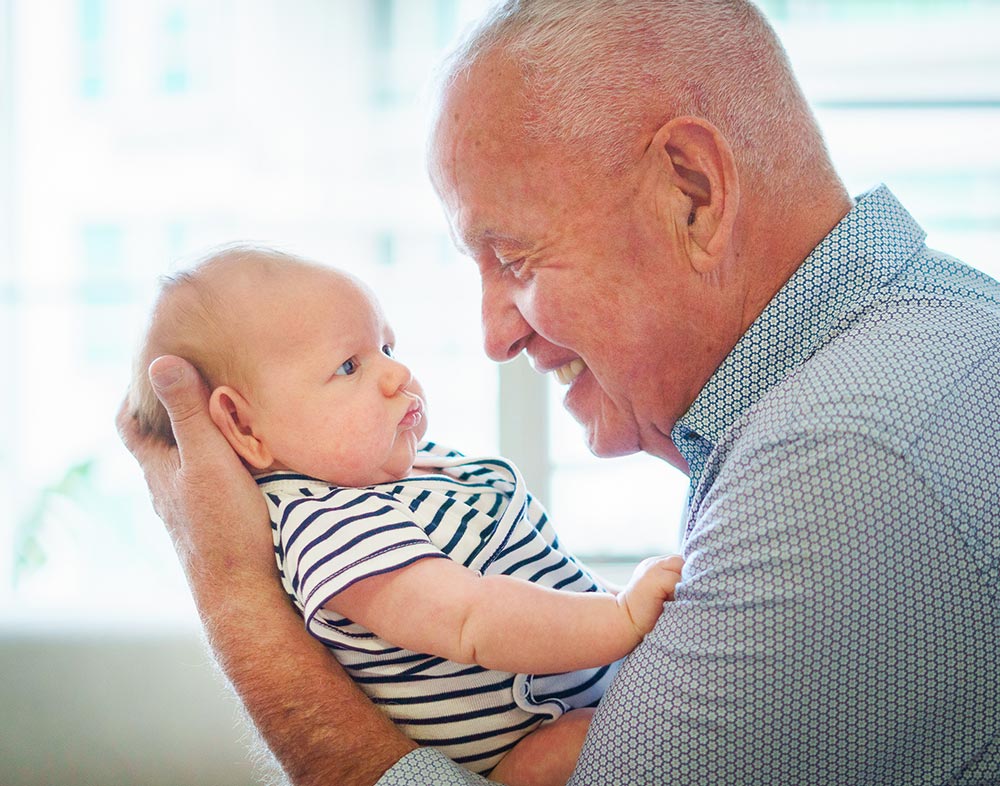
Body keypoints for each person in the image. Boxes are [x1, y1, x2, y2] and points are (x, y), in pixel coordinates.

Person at [118, 1, 1000, 784]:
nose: (494, 337)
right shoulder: (918, 342)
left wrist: (237, 601)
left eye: (516, 260)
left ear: (692, 192)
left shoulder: (844, 469)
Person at [127, 246, 684, 785]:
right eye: (348, 366)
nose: (397, 376)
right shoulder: (329, 525)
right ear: (245, 427)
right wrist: (622, 616)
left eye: (387, 349)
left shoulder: (402, 470)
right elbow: (471, 620)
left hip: (583, 682)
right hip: (527, 746)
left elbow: (546, 571)